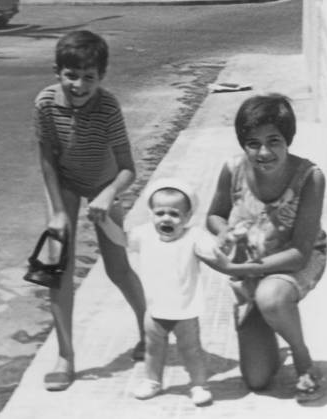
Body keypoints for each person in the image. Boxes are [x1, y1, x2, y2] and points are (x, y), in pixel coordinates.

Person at [34, 30, 146, 392]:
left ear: (101, 77)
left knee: (117, 267)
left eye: (89, 77)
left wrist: (108, 195)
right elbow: (47, 157)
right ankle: (66, 356)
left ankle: (149, 330)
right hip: (66, 183)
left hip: (105, 184)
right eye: (71, 75)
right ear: (57, 71)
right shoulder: (45, 104)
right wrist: (57, 212)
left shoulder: (108, 107)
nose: (79, 85)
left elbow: (129, 168)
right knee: (57, 269)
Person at [198, 93, 327, 403]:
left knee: (271, 296)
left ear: (288, 139)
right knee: (257, 379)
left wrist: (240, 270)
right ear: (243, 144)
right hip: (253, 260)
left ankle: (302, 358)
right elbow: (214, 216)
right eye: (253, 143)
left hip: (295, 260)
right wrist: (226, 232)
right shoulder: (233, 169)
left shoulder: (310, 177)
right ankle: (266, 320)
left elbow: (299, 254)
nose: (264, 152)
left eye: (274, 141)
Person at [121, 178, 215, 406]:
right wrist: (104, 221)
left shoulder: (194, 236)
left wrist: (228, 240)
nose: (166, 218)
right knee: (153, 348)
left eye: (174, 214)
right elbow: (121, 239)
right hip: (154, 308)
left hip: (185, 308)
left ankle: (199, 384)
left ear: (187, 217)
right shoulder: (144, 234)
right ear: (151, 214)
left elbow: (213, 250)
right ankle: (152, 380)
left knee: (191, 350)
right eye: (160, 212)